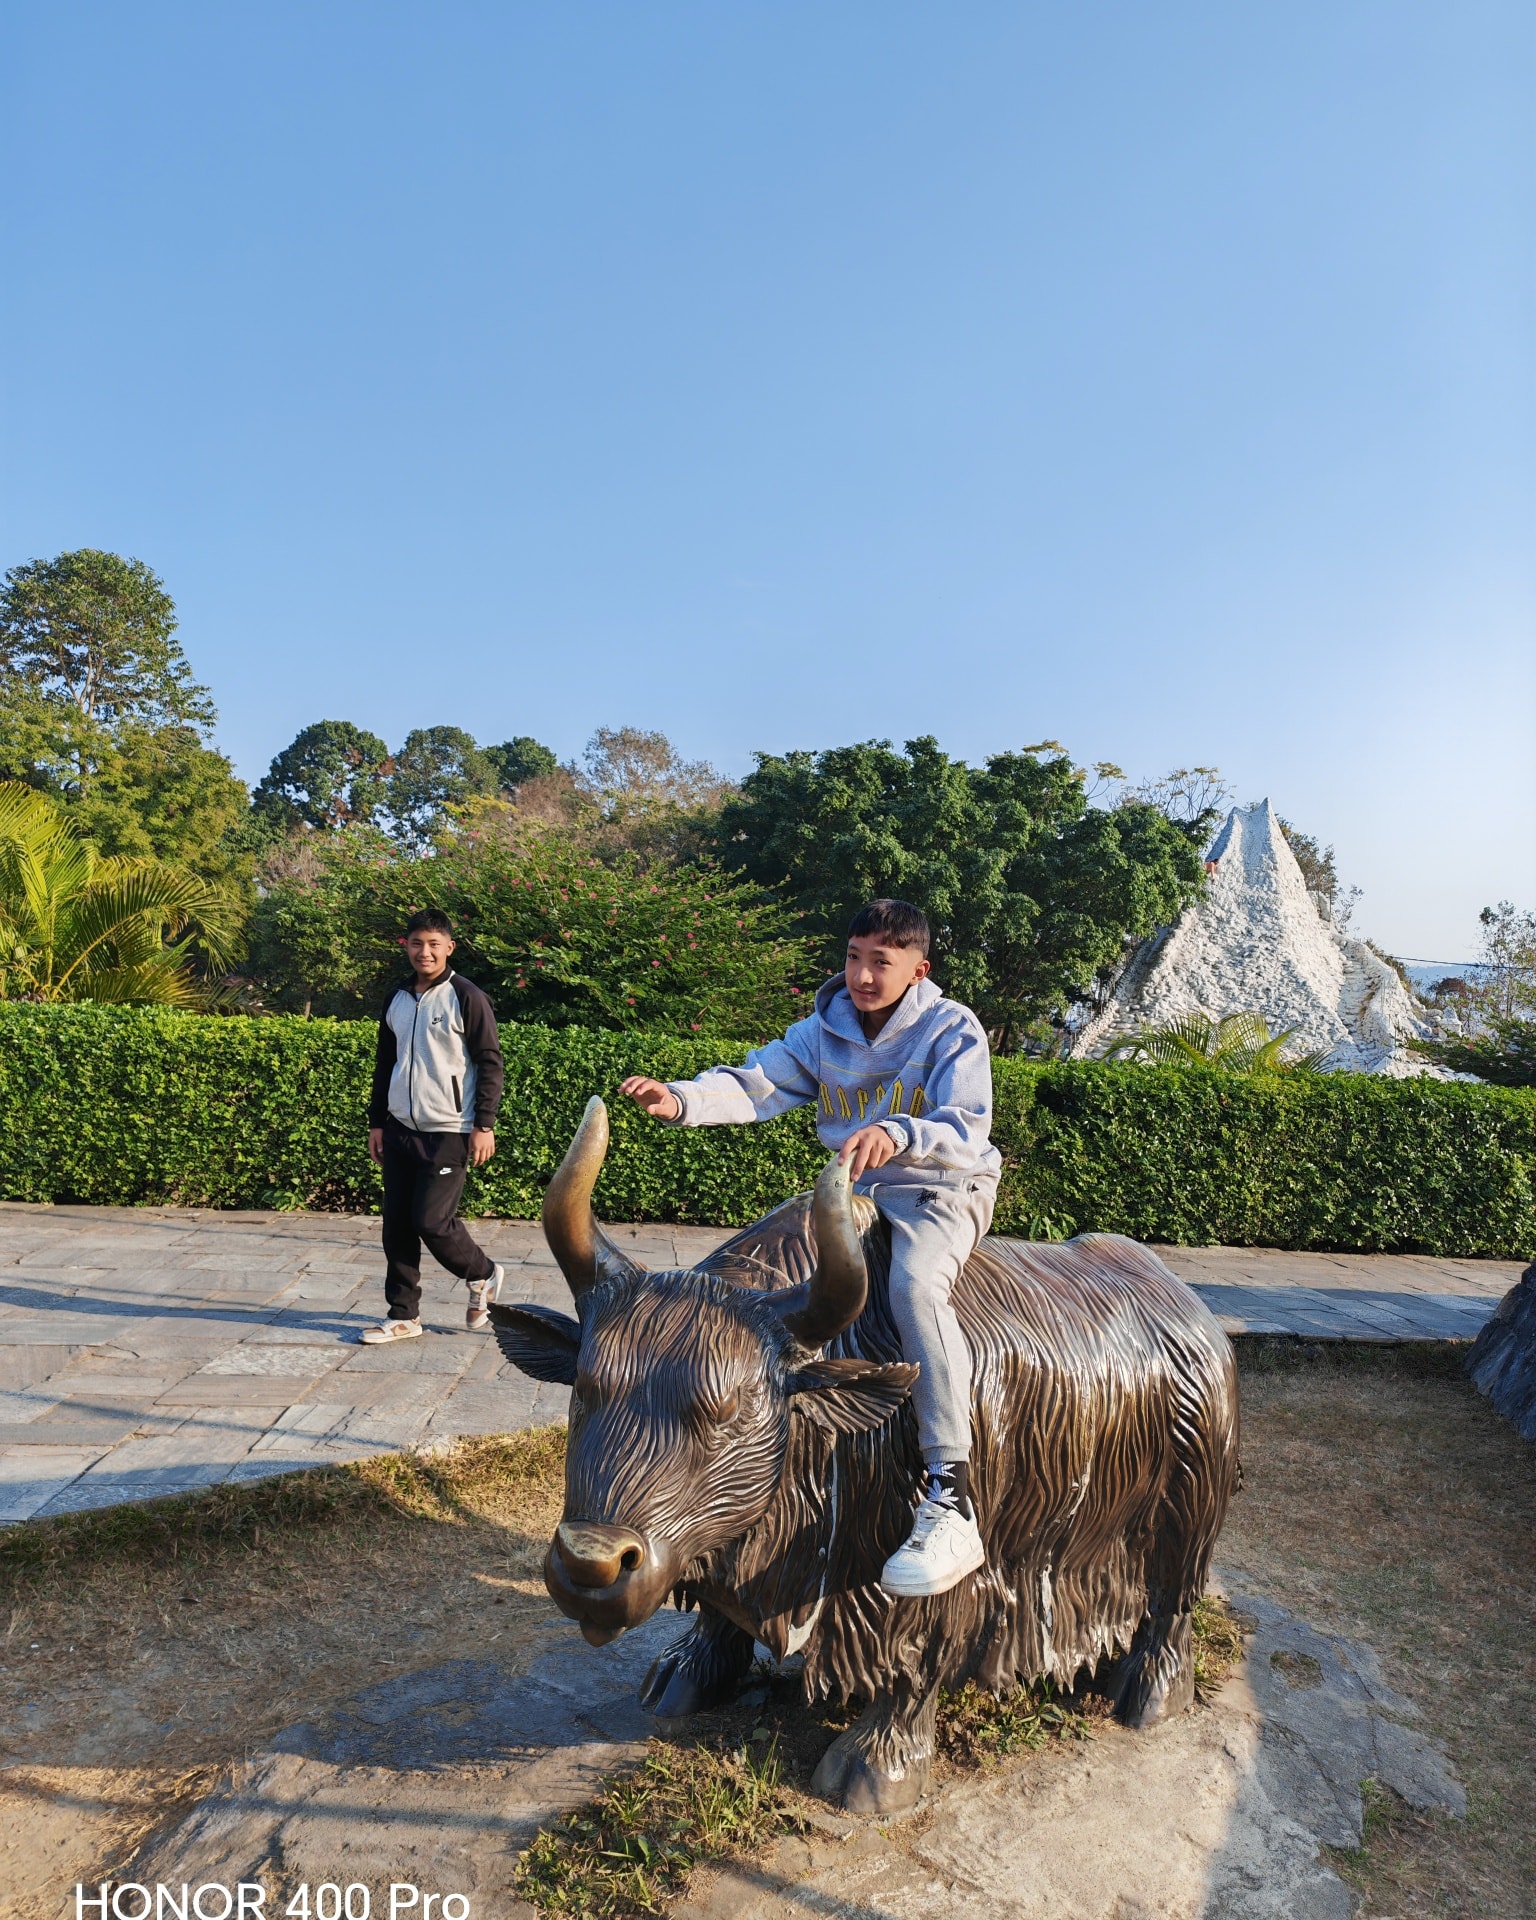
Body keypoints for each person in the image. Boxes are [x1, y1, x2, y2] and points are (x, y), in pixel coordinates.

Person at [619, 898, 1000, 1598]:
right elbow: (756, 1083)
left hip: (941, 1186)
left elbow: (967, 1126)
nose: (862, 975)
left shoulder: (952, 1028)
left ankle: (953, 1493)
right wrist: (680, 1100)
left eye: (880, 962)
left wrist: (899, 1132)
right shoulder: (824, 1028)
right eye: (853, 958)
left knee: (914, 1289)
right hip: (854, 1190)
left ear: (918, 970)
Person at [361, 908, 507, 1343]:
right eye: (417, 943)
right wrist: (377, 1122)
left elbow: (490, 1062)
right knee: (397, 1225)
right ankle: (403, 1315)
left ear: (449, 948)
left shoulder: (466, 996)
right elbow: (386, 1063)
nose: (424, 952)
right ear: (406, 946)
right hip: (400, 1128)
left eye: (433, 944)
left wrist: (484, 1124)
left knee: (431, 1220)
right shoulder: (396, 998)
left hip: (450, 1128)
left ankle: (483, 1273)